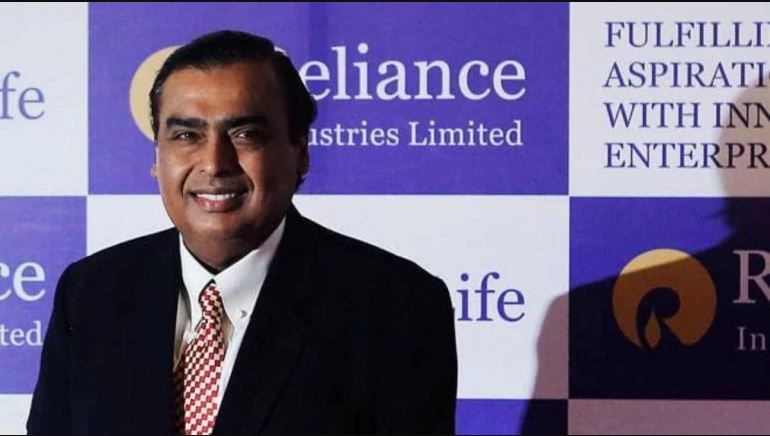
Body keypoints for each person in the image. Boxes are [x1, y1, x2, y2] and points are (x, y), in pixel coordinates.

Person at [27, 30, 457, 435]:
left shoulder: (395, 307)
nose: (215, 163)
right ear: (158, 157)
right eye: (187, 135)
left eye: (245, 134)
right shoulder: (90, 293)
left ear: (300, 153)